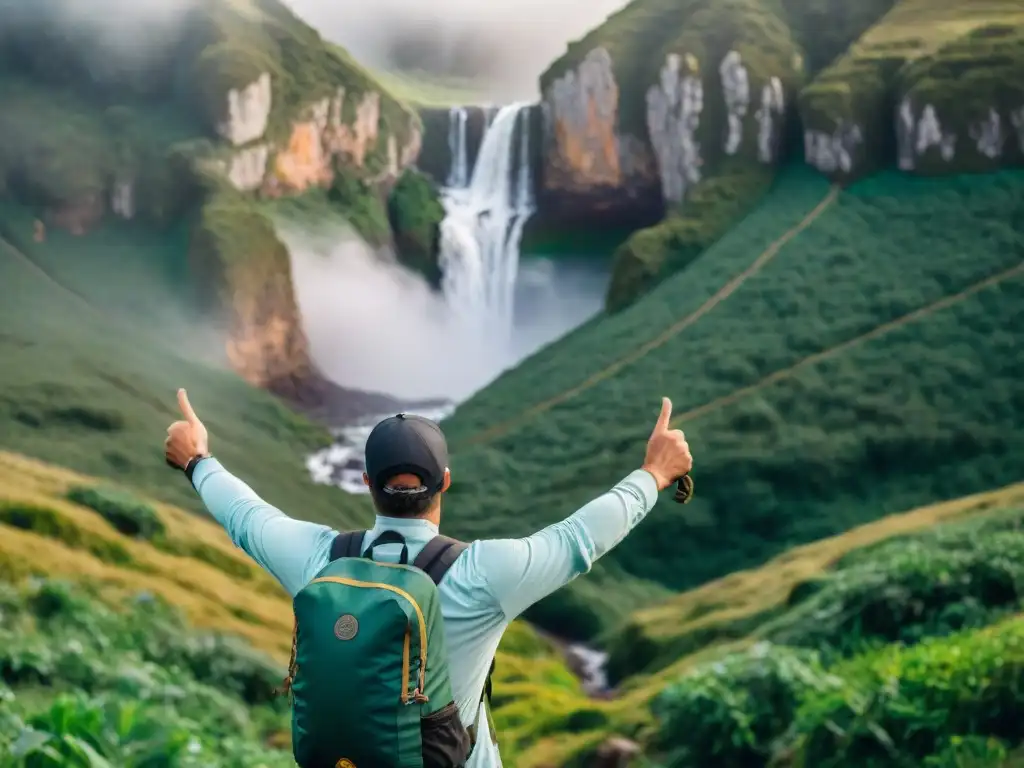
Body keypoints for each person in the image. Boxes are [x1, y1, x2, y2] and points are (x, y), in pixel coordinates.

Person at [164, 388, 693, 767]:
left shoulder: (319, 559)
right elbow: (578, 540)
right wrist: (655, 473)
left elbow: (247, 518)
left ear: (366, 482)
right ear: (444, 481)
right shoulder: (483, 575)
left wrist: (196, 460)